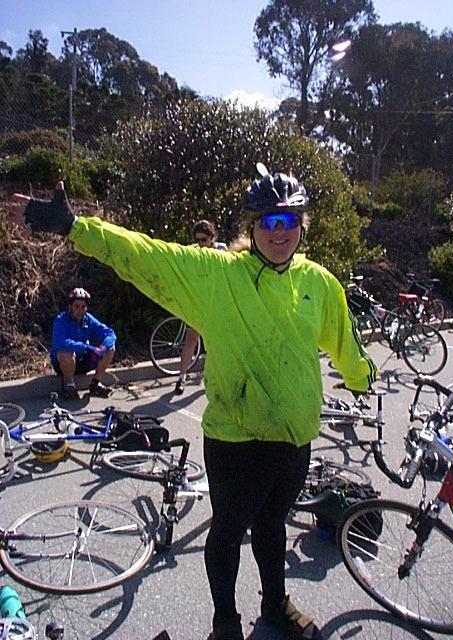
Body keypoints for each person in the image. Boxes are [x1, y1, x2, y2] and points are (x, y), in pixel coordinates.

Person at [8, 168, 377, 640]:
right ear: (252, 228)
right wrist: (75, 227)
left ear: (302, 226)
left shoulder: (318, 283)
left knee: (272, 526)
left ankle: (275, 606)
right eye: (268, 222)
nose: (278, 232)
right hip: (235, 439)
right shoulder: (217, 276)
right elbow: (145, 254)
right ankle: (225, 624)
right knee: (227, 533)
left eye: (288, 221)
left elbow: (344, 338)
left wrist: (361, 377)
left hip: (294, 437)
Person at [175, 219, 227, 395]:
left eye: (204, 239)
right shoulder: (193, 252)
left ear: (212, 238)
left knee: (216, 344)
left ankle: (215, 378)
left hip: (217, 303)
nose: (201, 244)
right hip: (198, 302)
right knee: (191, 340)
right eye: (197, 240)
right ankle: (181, 377)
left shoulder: (222, 250)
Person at [51, 287, 116, 399]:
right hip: (63, 364)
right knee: (67, 352)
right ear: (70, 306)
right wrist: (87, 347)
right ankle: (69, 386)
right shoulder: (60, 320)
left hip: (82, 361)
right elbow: (60, 342)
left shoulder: (88, 319)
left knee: (110, 349)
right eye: (76, 306)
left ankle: (95, 384)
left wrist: (103, 347)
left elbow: (110, 334)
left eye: (83, 307)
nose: (80, 310)